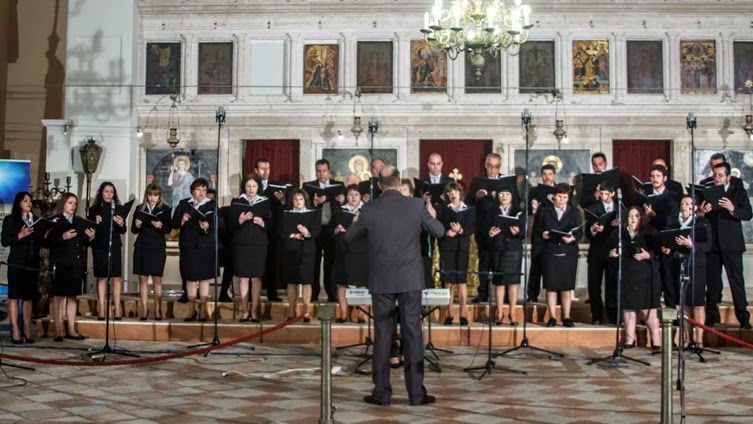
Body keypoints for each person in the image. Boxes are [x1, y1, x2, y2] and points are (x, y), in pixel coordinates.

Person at [345, 165, 444, 407]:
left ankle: (381, 393)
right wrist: (430, 214)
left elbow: (349, 237)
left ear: (379, 185)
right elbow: (439, 231)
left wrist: (358, 221)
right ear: (399, 182)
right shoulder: (416, 206)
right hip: (410, 279)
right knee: (413, 334)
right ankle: (416, 394)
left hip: (382, 279)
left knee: (383, 335)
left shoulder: (370, 208)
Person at [700, 162, 752, 329]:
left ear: (728, 177)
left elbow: (747, 214)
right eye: (715, 175)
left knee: (736, 282)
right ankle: (710, 317)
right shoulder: (708, 192)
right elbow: (702, 217)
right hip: (714, 245)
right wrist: (703, 211)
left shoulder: (738, 192)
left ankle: (743, 318)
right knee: (712, 283)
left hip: (732, 245)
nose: (717, 178)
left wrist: (732, 208)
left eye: (721, 175)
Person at [607, 207, 662, 349]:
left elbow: (659, 252)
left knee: (647, 310)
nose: (633, 219)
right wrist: (612, 253)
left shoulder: (650, 233)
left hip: (646, 276)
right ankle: (630, 339)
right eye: (630, 216)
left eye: (636, 216)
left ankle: (656, 339)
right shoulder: (618, 234)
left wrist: (648, 255)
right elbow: (610, 250)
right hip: (627, 275)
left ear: (641, 218)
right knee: (628, 309)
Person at [661, 196, 712, 346]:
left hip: (697, 266)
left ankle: (699, 339)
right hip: (680, 265)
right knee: (684, 304)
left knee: (697, 303)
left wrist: (691, 244)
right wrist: (668, 249)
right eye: (682, 203)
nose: (684, 206)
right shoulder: (675, 224)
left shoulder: (702, 223)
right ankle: (686, 338)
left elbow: (708, 245)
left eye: (689, 203)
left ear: (695, 207)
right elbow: (671, 244)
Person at [45, 193, 94, 341]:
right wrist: (63, 237)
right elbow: (47, 243)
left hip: (75, 263)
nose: (73, 206)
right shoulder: (54, 221)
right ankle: (58, 330)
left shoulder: (79, 221)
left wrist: (90, 237)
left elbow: (83, 242)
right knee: (59, 296)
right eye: (70, 203)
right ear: (63, 204)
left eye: (75, 203)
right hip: (60, 262)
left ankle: (71, 330)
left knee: (72, 296)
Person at [536, 183, 583, 327]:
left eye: (564, 197)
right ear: (554, 196)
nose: (561, 200)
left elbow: (579, 232)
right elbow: (538, 229)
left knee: (566, 286)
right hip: (550, 251)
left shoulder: (574, 212)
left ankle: (566, 316)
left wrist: (572, 238)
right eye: (559, 196)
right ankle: (552, 317)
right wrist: (543, 234)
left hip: (568, 251)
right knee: (551, 286)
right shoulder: (545, 210)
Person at [171, 178, 218, 322]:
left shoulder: (211, 204)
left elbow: (219, 224)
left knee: (204, 278)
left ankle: (203, 309)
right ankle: (191, 309)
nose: (201, 192)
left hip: (205, 246)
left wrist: (208, 226)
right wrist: (182, 219)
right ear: (192, 191)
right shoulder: (184, 204)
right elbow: (173, 223)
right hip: (189, 246)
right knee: (190, 278)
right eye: (198, 189)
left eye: (204, 190)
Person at [1, 192, 43, 343]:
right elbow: (5, 241)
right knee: (14, 297)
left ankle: (27, 330)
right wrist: (20, 235)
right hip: (17, 263)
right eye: (25, 200)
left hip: (32, 264)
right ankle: (15, 331)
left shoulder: (36, 220)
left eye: (30, 200)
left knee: (28, 297)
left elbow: (42, 243)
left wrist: (46, 235)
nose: (29, 203)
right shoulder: (11, 220)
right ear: (18, 203)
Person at [230, 173, 270, 323]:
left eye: (254, 186)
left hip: (258, 243)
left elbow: (272, 224)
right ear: (244, 187)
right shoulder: (237, 202)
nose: (251, 189)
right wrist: (240, 220)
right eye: (248, 186)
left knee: (256, 278)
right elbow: (230, 226)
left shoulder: (265, 202)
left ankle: (254, 311)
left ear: (258, 187)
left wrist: (263, 223)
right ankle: (245, 311)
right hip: (242, 243)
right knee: (244, 278)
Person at [303, 159, 345, 302]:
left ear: (329, 171)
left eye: (324, 171)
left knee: (331, 263)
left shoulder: (339, 185)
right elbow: (303, 206)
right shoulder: (308, 186)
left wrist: (342, 201)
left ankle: (331, 293)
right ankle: (314, 293)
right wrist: (315, 203)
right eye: (318, 171)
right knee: (313, 262)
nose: (321, 174)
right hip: (315, 229)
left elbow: (344, 207)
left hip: (331, 229)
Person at [467, 152, 504, 303]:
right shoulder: (478, 181)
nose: (493, 169)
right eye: (490, 166)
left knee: (499, 263)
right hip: (482, 228)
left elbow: (516, 201)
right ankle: (482, 293)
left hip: (500, 228)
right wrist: (477, 196)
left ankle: (501, 296)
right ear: (485, 165)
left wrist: (501, 198)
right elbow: (468, 202)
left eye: (496, 166)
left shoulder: (505, 181)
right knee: (484, 261)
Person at [131, 183, 171, 320]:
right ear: (146, 195)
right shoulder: (139, 208)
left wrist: (160, 225)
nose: (152, 198)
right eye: (150, 195)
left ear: (159, 196)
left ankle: (158, 310)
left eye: (155, 195)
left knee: (157, 279)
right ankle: (144, 309)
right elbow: (133, 230)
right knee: (142, 279)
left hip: (157, 247)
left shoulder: (164, 209)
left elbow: (168, 229)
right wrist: (137, 225)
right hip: (142, 246)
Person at [485, 186, 524, 325]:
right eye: (501, 194)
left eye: (507, 194)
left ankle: (512, 313)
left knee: (513, 282)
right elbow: (485, 230)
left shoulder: (519, 211)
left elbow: (524, 231)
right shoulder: (492, 211)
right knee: (499, 281)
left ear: (512, 196)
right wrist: (491, 233)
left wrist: (518, 232)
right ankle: (499, 312)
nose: (503, 196)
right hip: (498, 248)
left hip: (514, 249)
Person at [88, 182, 127, 320]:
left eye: (111, 192)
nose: (109, 194)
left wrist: (120, 223)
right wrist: (95, 221)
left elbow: (123, 230)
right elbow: (89, 228)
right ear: (101, 193)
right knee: (102, 277)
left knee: (116, 277)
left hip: (114, 245)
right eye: (106, 191)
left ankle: (117, 308)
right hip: (99, 246)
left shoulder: (118, 208)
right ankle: (101, 309)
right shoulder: (94, 209)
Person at [280, 188, 321, 323]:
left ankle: (306, 312)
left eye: (301, 199)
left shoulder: (313, 213)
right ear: (291, 201)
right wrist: (293, 235)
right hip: (291, 250)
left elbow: (317, 231)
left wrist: (307, 232)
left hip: (307, 250)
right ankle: (291, 311)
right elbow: (281, 230)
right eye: (295, 199)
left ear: (305, 200)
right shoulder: (286, 213)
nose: (298, 201)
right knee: (291, 281)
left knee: (306, 281)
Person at [437, 182, 475, 326]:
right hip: (447, 247)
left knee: (461, 281)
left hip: (462, 247)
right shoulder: (442, 209)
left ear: (460, 193)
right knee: (449, 281)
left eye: (456, 192)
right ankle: (449, 314)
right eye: (450, 192)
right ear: (447, 195)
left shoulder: (469, 209)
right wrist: (447, 232)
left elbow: (472, 227)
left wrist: (460, 230)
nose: (453, 194)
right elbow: (438, 226)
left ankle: (463, 314)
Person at [585, 181, 620, 325]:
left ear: (613, 193)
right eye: (601, 193)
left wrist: (618, 225)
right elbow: (588, 232)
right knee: (594, 285)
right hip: (597, 251)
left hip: (613, 251)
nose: (603, 197)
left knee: (612, 286)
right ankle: (596, 316)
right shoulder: (593, 208)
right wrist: (593, 229)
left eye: (606, 194)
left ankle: (613, 316)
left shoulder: (620, 208)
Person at [332, 184, 367, 323]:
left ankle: (361, 314)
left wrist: (355, 225)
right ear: (346, 196)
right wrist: (335, 230)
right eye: (350, 194)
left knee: (361, 283)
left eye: (356, 195)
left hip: (361, 251)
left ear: (361, 196)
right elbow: (330, 230)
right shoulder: (340, 211)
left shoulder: (366, 211)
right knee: (342, 282)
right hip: (343, 250)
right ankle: (343, 314)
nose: (353, 197)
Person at [255, 158, 287, 302]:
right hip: (256, 228)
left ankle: (272, 292)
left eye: (267, 168)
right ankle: (252, 293)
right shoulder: (252, 185)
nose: (266, 171)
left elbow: (283, 207)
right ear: (256, 170)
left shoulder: (277, 184)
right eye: (262, 168)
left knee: (272, 262)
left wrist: (282, 199)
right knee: (255, 261)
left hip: (273, 230)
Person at [527, 164, 556, 303]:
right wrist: (533, 208)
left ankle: (557, 297)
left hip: (554, 234)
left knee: (555, 266)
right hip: (538, 234)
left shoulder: (560, 191)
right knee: (536, 265)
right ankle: (532, 296)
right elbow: (528, 211)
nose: (547, 177)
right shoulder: (534, 191)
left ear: (554, 175)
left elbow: (568, 210)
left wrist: (555, 203)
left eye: (550, 174)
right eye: (544, 174)